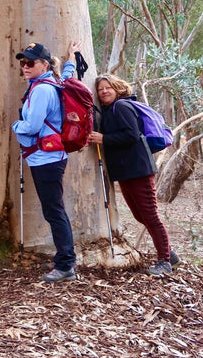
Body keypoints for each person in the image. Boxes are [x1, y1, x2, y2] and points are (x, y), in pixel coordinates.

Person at [89, 73, 180, 277]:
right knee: (140, 215)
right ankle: (169, 254)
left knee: (150, 215)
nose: (104, 91)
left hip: (139, 170)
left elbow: (131, 134)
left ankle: (165, 262)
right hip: (126, 172)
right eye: (100, 89)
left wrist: (104, 138)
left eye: (108, 87)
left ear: (118, 88)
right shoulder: (109, 110)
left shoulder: (122, 106)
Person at [12, 40, 80, 283]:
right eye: (23, 62)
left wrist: (15, 126)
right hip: (49, 157)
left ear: (44, 64)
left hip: (46, 159)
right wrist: (71, 59)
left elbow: (31, 126)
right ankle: (65, 261)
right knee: (54, 209)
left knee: (54, 211)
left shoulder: (41, 89)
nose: (25, 66)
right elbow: (67, 76)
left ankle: (66, 264)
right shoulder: (53, 82)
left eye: (30, 62)